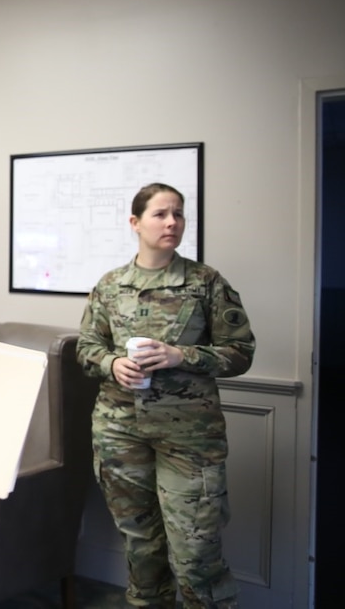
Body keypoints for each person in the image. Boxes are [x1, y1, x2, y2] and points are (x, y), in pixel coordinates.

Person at [76, 182, 256, 609]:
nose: (172, 222)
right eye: (161, 214)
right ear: (135, 223)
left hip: (189, 438)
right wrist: (111, 364)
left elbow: (241, 353)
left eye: (178, 214)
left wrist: (182, 355)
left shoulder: (205, 282)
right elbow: (86, 349)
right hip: (120, 432)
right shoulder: (111, 285)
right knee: (141, 549)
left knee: (196, 555)